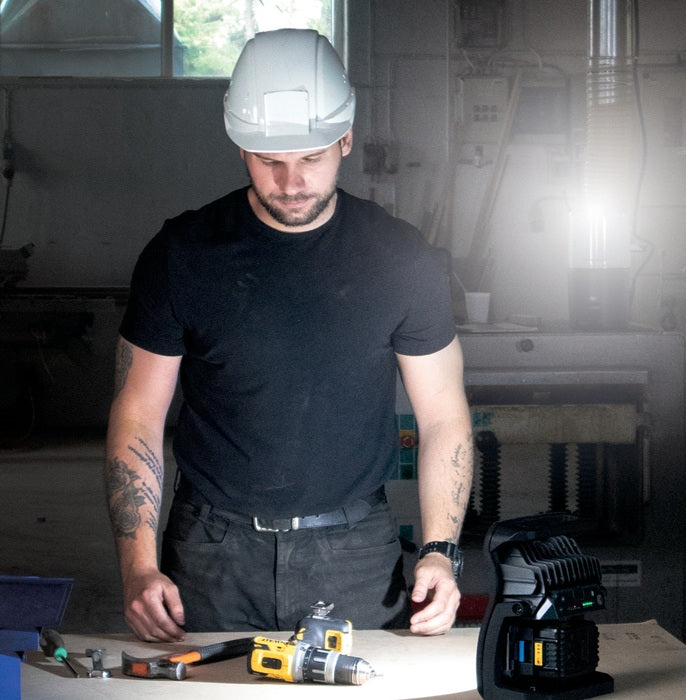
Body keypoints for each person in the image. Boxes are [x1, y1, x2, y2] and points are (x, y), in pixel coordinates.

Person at [105, 28, 472, 643]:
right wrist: (137, 566)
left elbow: (442, 416)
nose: (292, 181)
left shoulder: (401, 259)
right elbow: (138, 414)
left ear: (345, 140)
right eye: (270, 161)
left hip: (355, 551)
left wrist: (439, 551)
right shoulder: (181, 255)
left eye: (311, 158)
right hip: (211, 550)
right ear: (241, 148)